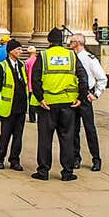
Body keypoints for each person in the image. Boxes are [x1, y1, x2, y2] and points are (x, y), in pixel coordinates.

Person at [28, 29, 82, 181]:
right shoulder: (72, 55)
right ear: (62, 40)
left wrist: (40, 98)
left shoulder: (43, 56)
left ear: (49, 41)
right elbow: (82, 76)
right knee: (67, 138)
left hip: (48, 104)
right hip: (68, 103)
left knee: (45, 139)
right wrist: (81, 97)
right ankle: (67, 172)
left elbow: (35, 78)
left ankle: (43, 171)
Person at [69, 32, 107, 172]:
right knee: (73, 129)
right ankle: (75, 158)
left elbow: (102, 78)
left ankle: (96, 159)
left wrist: (96, 94)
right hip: (73, 95)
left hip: (85, 96)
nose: (69, 42)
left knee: (90, 129)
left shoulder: (89, 58)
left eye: (72, 40)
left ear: (78, 42)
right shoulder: (70, 57)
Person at [0, 40, 29, 170]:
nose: (20, 52)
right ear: (11, 51)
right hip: (9, 106)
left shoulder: (21, 65)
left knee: (18, 136)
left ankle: (15, 160)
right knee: (5, 134)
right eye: (18, 49)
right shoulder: (2, 67)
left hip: (21, 105)